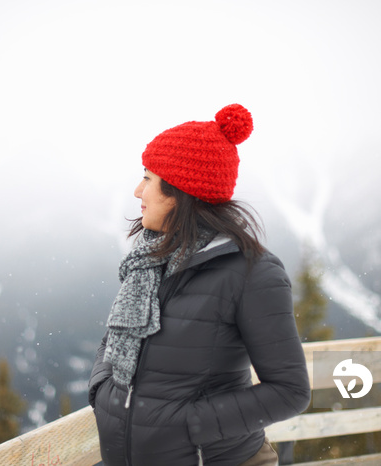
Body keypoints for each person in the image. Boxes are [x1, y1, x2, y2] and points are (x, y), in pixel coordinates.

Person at [88, 104, 310, 466]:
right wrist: (103, 391)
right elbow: (113, 341)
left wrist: (190, 425)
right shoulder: (147, 260)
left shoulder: (252, 273)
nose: (136, 191)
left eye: (147, 178)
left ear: (179, 191)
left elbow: (290, 392)